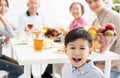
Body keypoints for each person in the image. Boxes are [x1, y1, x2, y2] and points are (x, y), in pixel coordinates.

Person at [86, 0, 120, 78]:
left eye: (95, 0)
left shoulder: (116, 18)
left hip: (113, 69)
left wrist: (105, 66)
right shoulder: (95, 22)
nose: (93, 4)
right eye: (90, 2)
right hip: (97, 67)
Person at [18, 0, 52, 78]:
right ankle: (29, 74)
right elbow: (20, 30)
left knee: (49, 54)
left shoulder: (42, 16)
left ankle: (46, 73)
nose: (33, 5)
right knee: (26, 59)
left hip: (39, 41)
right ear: (28, 4)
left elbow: (45, 30)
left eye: (35, 3)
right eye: (31, 3)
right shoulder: (22, 16)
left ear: (38, 6)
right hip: (27, 42)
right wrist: (25, 30)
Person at [0, 0, 23, 78]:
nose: (3, 8)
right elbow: (12, 34)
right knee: (19, 69)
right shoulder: (1, 21)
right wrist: (8, 35)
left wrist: (7, 35)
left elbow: (17, 29)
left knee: (21, 65)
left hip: (0, 55)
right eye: (0, 5)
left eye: (5, 5)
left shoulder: (3, 20)